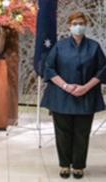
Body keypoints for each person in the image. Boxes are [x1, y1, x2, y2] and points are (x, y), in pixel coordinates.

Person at [41, 11, 106, 179]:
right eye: (75, 23)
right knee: (62, 133)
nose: (78, 26)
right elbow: (48, 68)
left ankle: (78, 166)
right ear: (69, 26)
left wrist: (86, 87)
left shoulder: (94, 46)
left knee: (82, 133)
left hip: (86, 95)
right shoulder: (60, 45)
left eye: (81, 23)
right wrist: (65, 86)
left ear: (86, 26)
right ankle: (64, 165)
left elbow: (103, 70)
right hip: (61, 96)